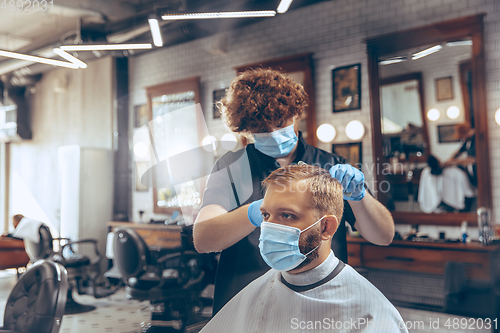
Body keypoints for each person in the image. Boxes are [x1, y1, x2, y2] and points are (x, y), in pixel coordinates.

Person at [193, 69, 395, 315]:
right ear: (246, 128)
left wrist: (360, 197)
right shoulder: (231, 168)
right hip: (245, 302)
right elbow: (203, 240)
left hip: (319, 301)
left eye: (280, 123)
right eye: (261, 128)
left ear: (295, 113)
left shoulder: (330, 166)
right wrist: (260, 212)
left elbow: (383, 236)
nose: (273, 134)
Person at [200, 165, 407, 333]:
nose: (270, 227)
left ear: (326, 227)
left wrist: (362, 197)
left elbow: (384, 234)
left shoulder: (369, 312)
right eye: (265, 215)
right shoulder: (257, 291)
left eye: (287, 215)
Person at [443, 122, 476, 186]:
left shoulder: (476, 140)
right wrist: (449, 160)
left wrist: (454, 162)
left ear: (467, 132)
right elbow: (459, 152)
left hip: (479, 175)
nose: (462, 139)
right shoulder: (467, 141)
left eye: (462, 136)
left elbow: (473, 160)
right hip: (471, 176)